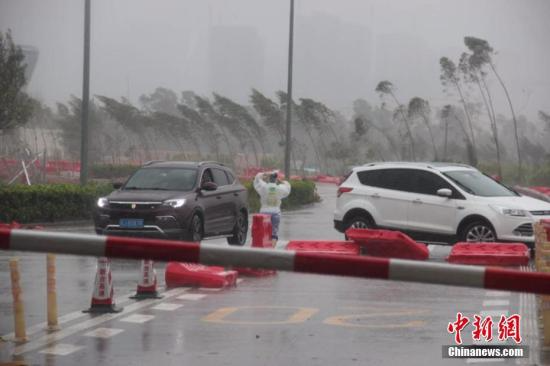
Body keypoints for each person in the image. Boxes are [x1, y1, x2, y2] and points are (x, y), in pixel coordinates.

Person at [253, 170, 291, 246]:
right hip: (276, 212)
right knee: (274, 232)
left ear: (269, 179)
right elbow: (288, 188)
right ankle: (272, 248)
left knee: (262, 232)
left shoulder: (263, 187)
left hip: (264, 212)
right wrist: (281, 181)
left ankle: (262, 248)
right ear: (276, 179)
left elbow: (257, 179)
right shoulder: (280, 188)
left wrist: (264, 174)